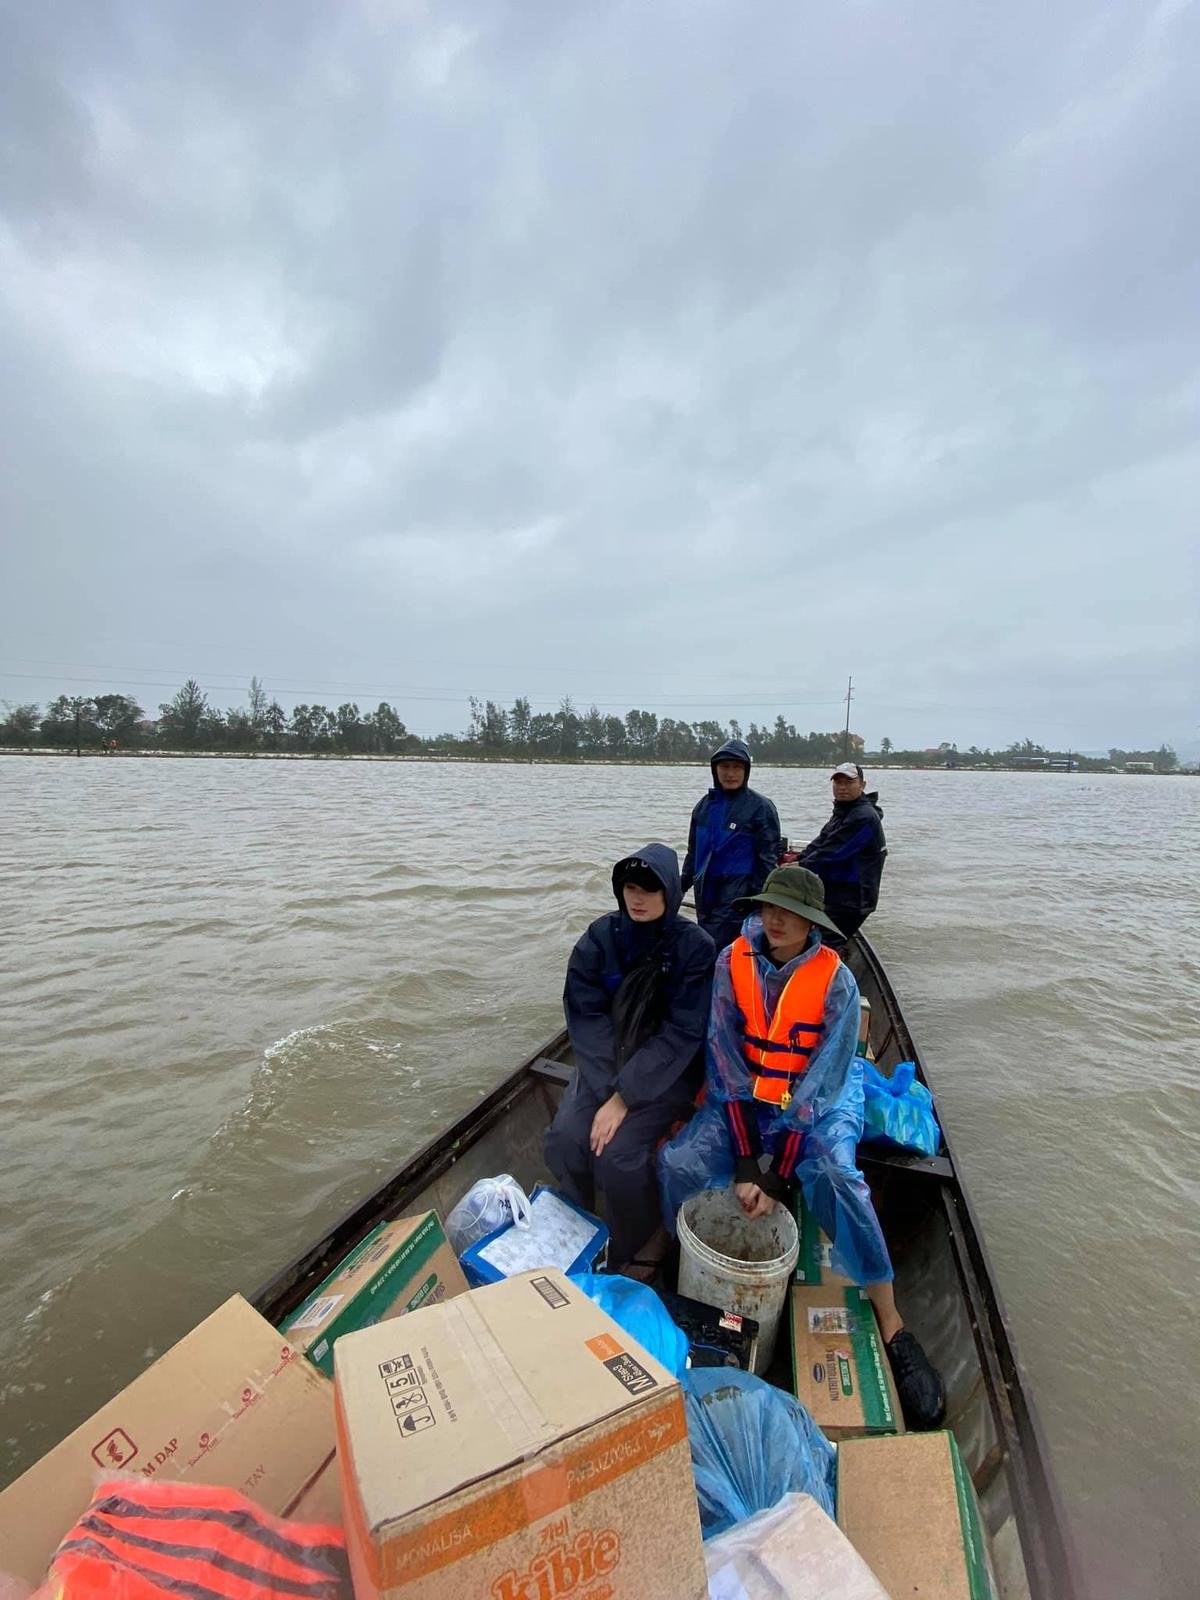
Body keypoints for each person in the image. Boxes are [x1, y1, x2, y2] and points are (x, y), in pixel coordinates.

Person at [657, 865, 944, 1429]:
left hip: (822, 1099)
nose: (776, 919)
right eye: (769, 907)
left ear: (812, 923)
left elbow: (822, 1085)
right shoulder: (730, 962)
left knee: (839, 1179)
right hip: (750, 1095)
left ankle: (891, 1319)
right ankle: (681, 1266)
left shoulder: (838, 982)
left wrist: (772, 1176)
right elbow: (724, 1059)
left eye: (790, 912)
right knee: (677, 1161)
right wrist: (745, 1161)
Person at [545, 843, 716, 1276]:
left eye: (650, 889)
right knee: (566, 1138)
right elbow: (585, 1017)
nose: (637, 898)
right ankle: (577, 1222)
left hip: (666, 1074)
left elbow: (682, 1032)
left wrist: (625, 1097)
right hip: (603, 1068)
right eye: (630, 888)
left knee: (617, 1156)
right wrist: (608, 1090)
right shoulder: (599, 938)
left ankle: (631, 1243)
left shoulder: (695, 948)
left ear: (672, 893)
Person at [682, 738, 781, 951]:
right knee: (707, 946)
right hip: (705, 896)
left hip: (738, 900)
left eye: (737, 767)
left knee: (719, 951)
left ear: (746, 770)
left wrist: (760, 903)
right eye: (724, 767)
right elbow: (693, 853)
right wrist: (678, 888)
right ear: (715, 769)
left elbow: (768, 860)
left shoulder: (760, 807)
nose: (730, 773)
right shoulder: (703, 806)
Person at [794, 761, 886, 946]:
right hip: (836, 893)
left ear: (862, 785)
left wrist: (798, 867)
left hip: (852, 899)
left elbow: (833, 852)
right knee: (816, 939)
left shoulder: (863, 817)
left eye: (849, 782)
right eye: (838, 783)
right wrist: (798, 858)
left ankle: (828, 970)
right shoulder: (843, 811)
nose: (842, 788)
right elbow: (822, 841)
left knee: (824, 945)